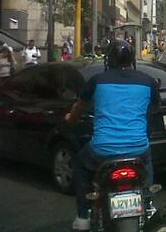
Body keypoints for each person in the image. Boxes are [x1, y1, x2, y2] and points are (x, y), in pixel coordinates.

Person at [66, 40, 160, 231]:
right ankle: (149, 204)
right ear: (132, 59)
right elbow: (155, 108)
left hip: (102, 150)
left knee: (80, 164)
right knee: (147, 158)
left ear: (108, 60)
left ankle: (83, 216)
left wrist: (70, 118)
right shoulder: (148, 81)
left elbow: (79, 108)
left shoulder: (97, 81)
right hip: (137, 148)